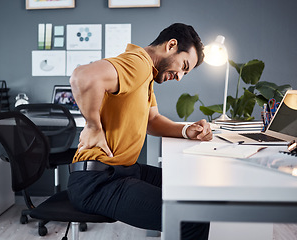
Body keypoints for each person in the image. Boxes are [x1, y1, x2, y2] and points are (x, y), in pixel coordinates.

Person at [67, 23, 212, 240]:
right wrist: (92, 126)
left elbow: (152, 121)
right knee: (190, 219)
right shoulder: (138, 64)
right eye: (183, 66)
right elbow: (83, 76)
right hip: (97, 181)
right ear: (171, 45)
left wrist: (185, 131)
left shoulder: (147, 74)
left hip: (123, 170)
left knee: (187, 185)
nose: (180, 77)